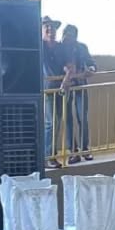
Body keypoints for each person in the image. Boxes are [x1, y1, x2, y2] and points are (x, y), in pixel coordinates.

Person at [60, 24, 96, 164]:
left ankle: (85, 148)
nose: (69, 37)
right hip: (66, 86)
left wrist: (91, 69)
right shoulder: (59, 48)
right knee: (67, 119)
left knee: (82, 118)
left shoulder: (81, 47)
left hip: (80, 85)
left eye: (72, 35)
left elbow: (91, 63)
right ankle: (73, 151)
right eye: (67, 34)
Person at [39, 16, 67, 168]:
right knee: (51, 123)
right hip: (46, 89)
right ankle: (48, 157)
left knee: (57, 122)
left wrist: (66, 80)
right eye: (47, 27)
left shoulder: (60, 47)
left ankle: (51, 154)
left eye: (53, 28)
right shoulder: (39, 46)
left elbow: (68, 65)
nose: (50, 30)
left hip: (61, 89)